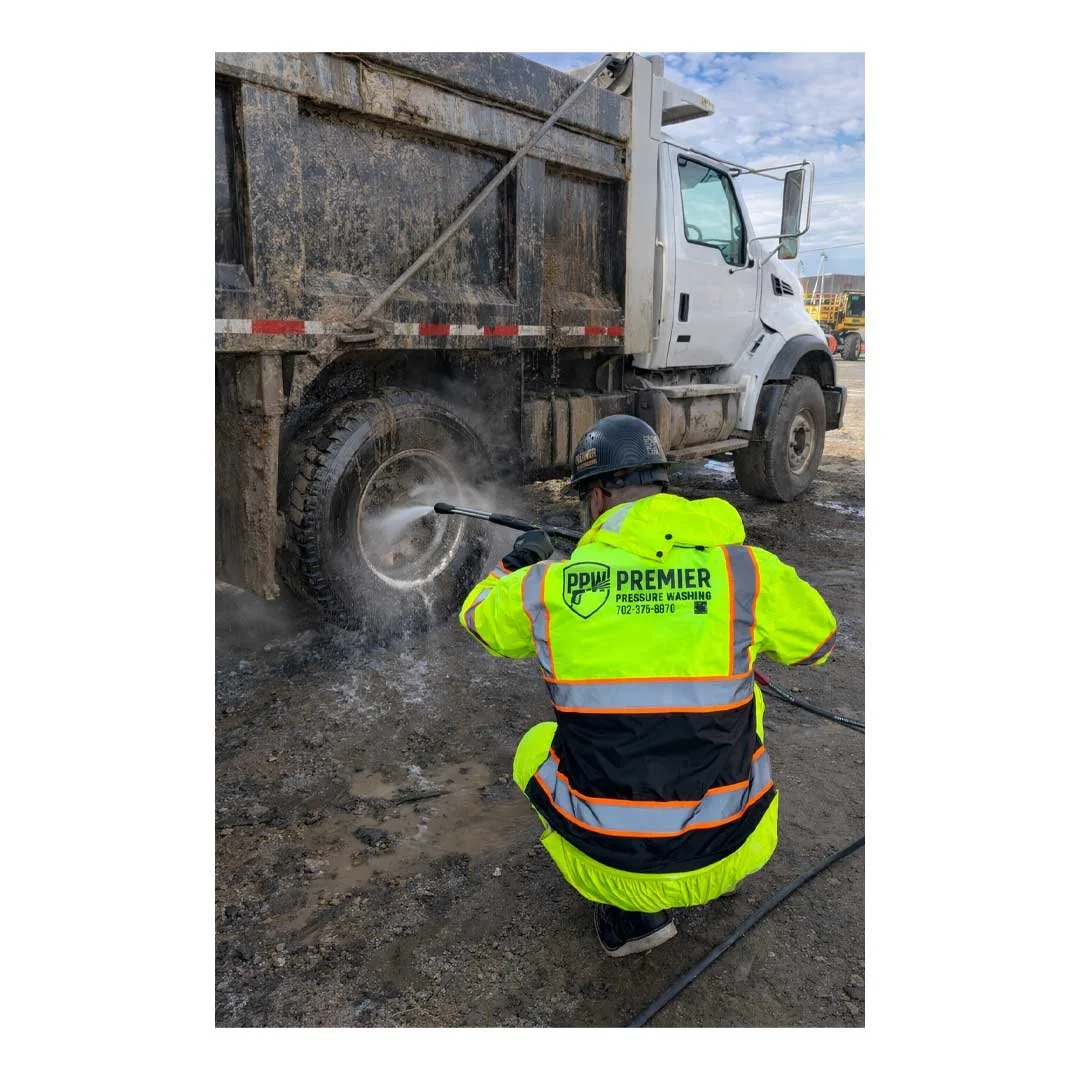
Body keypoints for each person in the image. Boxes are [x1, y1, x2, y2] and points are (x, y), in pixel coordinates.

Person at [458, 415, 837, 957]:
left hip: (611, 869)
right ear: (662, 485)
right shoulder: (747, 573)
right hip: (735, 849)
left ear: (597, 496)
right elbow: (821, 644)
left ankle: (631, 917)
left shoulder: (546, 587)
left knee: (533, 748)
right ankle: (703, 859)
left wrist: (515, 563)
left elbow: (474, 617)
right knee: (742, 706)